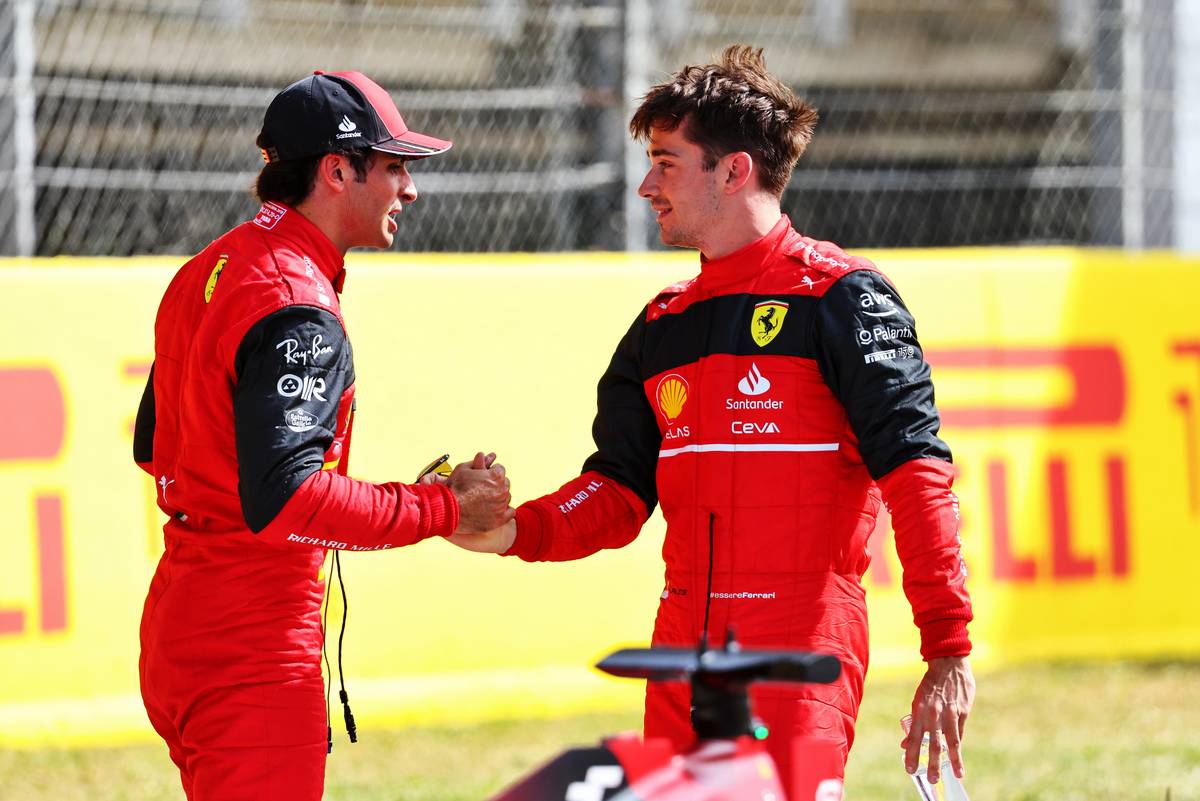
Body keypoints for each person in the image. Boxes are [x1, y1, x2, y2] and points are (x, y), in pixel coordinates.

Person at [450, 46, 974, 791]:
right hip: (679, 664)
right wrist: (507, 529)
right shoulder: (661, 324)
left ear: (734, 171)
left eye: (666, 163)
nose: (644, 185)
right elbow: (618, 493)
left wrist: (947, 647)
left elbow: (918, 475)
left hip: (799, 662)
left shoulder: (844, 298)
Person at [132, 70, 513, 801]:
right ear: (338, 171)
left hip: (182, 624)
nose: (411, 188)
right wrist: (441, 508)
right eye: (396, 165)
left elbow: (156, 447)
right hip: (255, 642)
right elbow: (288, 499)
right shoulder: (297, 301)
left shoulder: (207, 269)